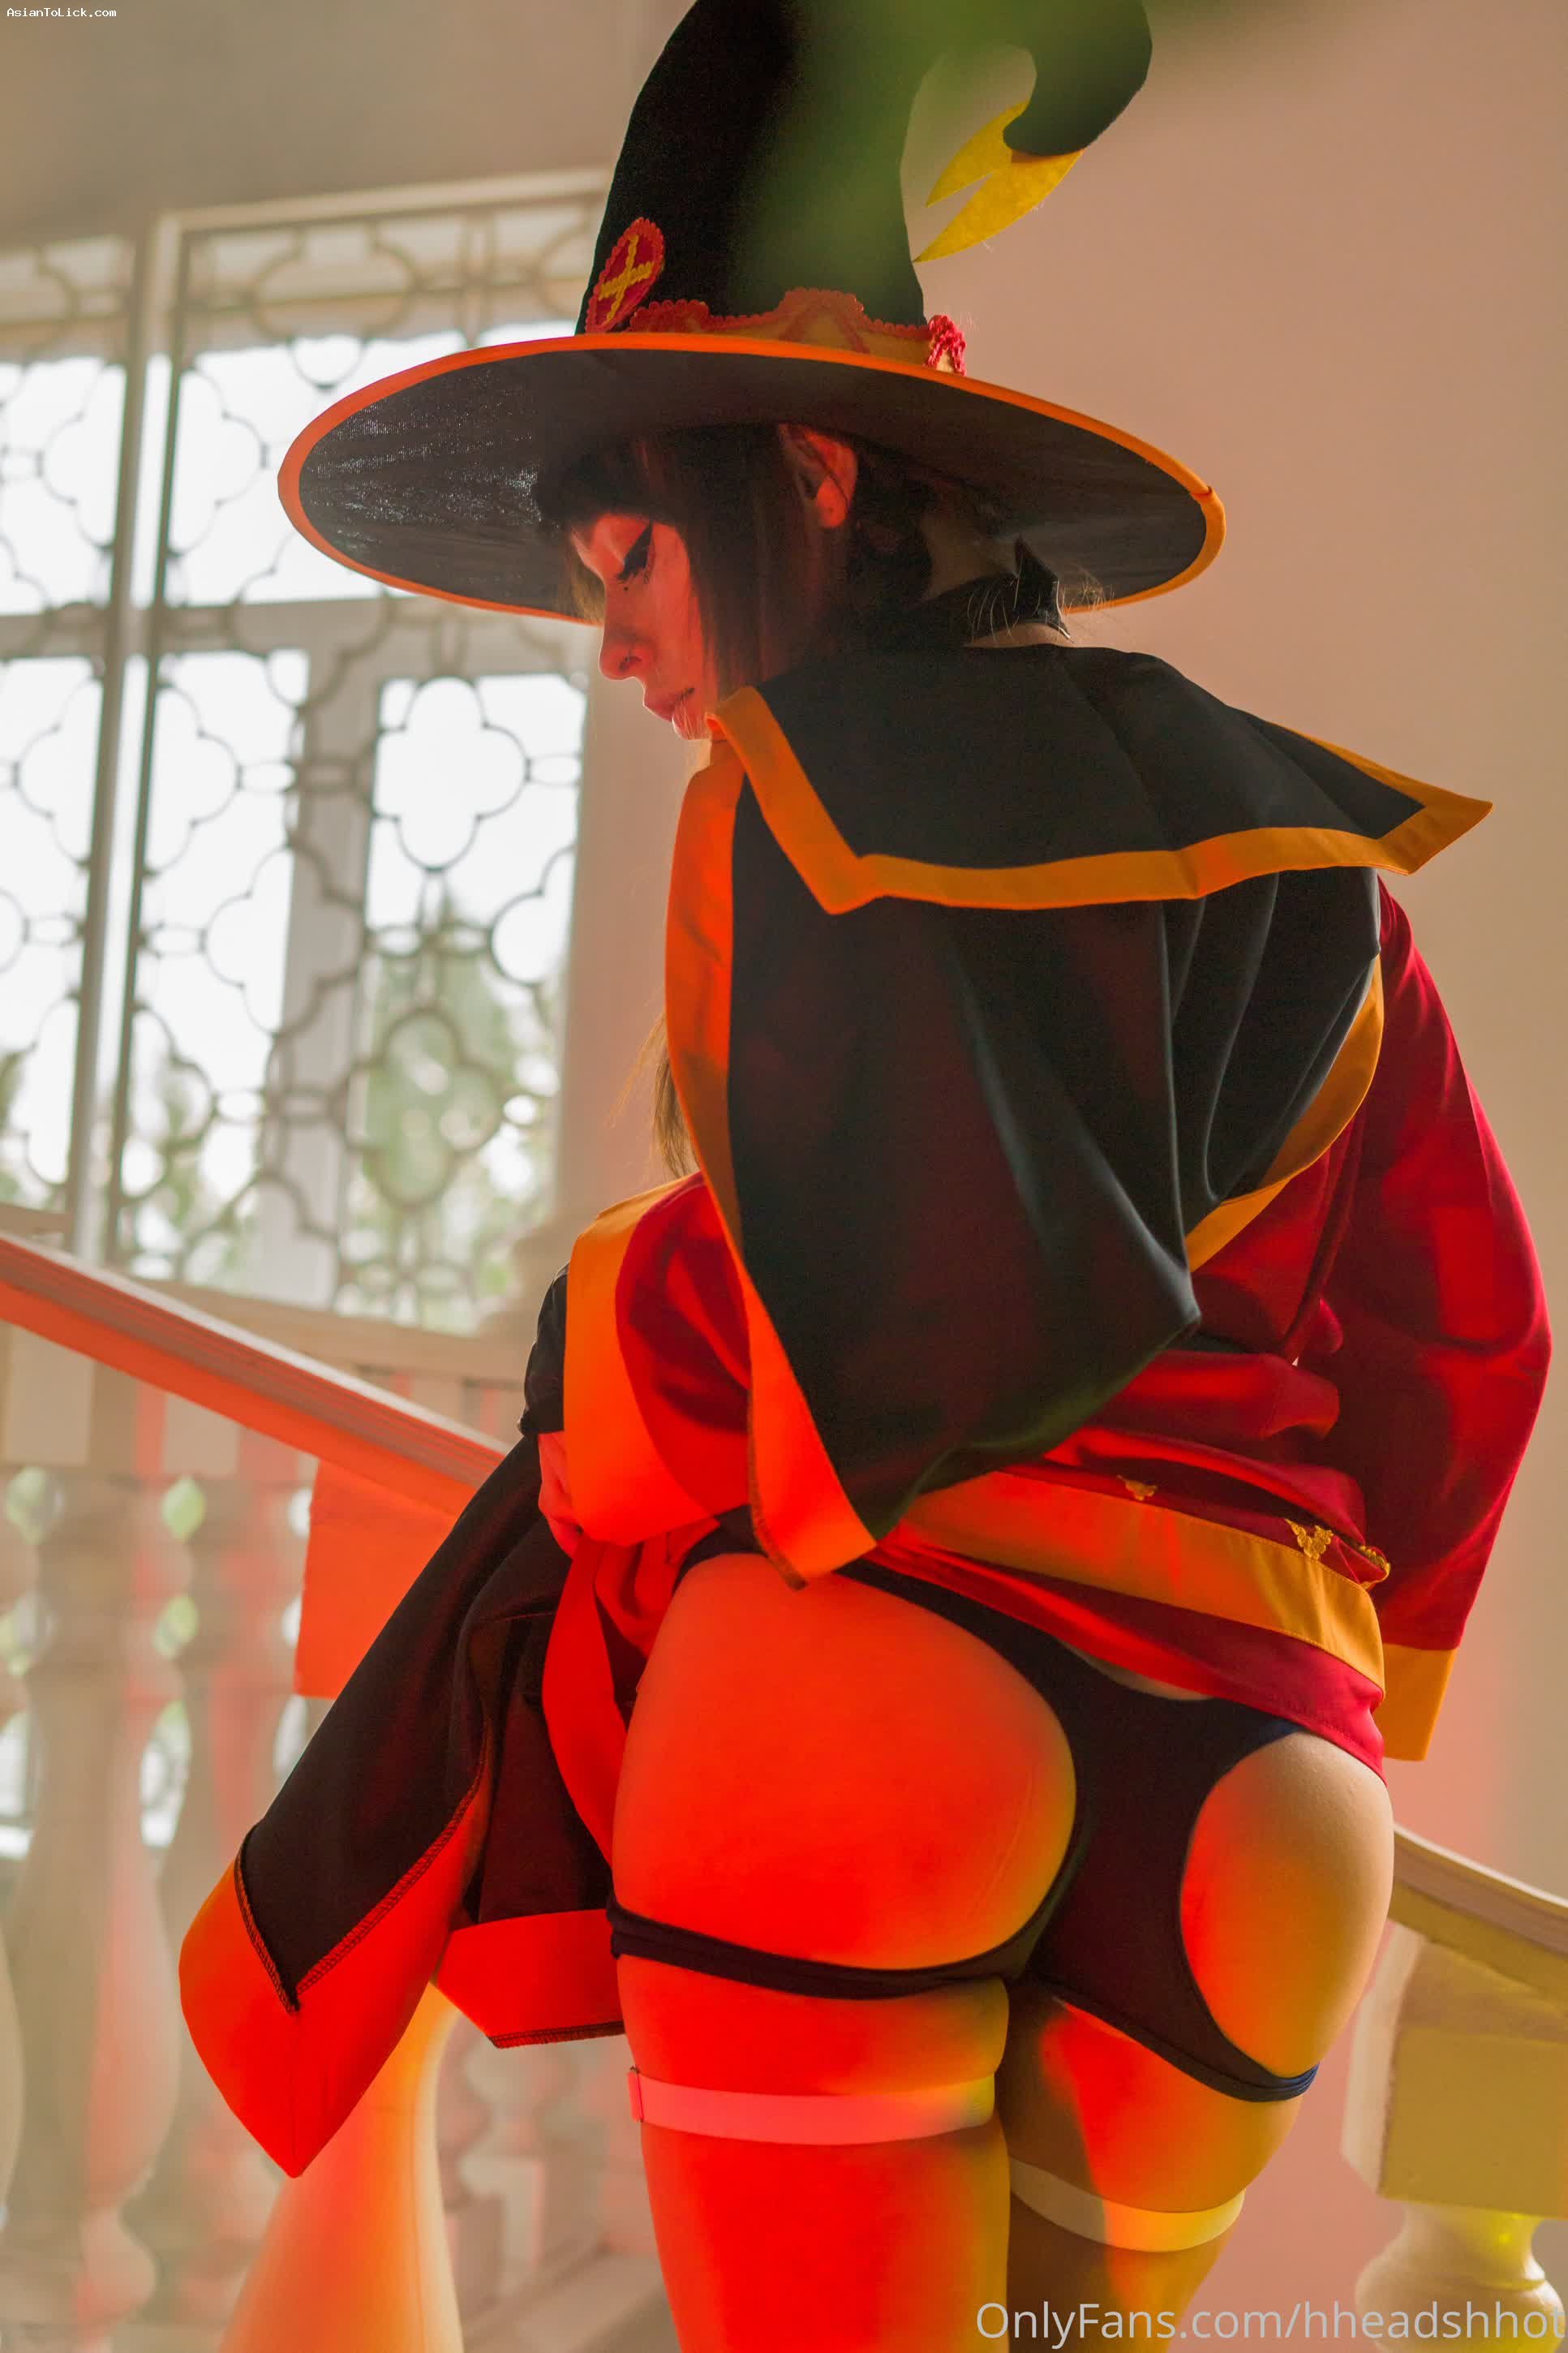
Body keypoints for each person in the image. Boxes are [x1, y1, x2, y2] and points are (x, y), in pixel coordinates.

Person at [180, 4, 1551, 2347]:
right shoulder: (1319, 852)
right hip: (1261, 1789)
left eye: (628, 558)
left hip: (877, 1713)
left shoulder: (805, 809)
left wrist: (603, 1337)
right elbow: (1471, 1335)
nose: (615, 645)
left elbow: (854, 1296)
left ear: (807, 475)